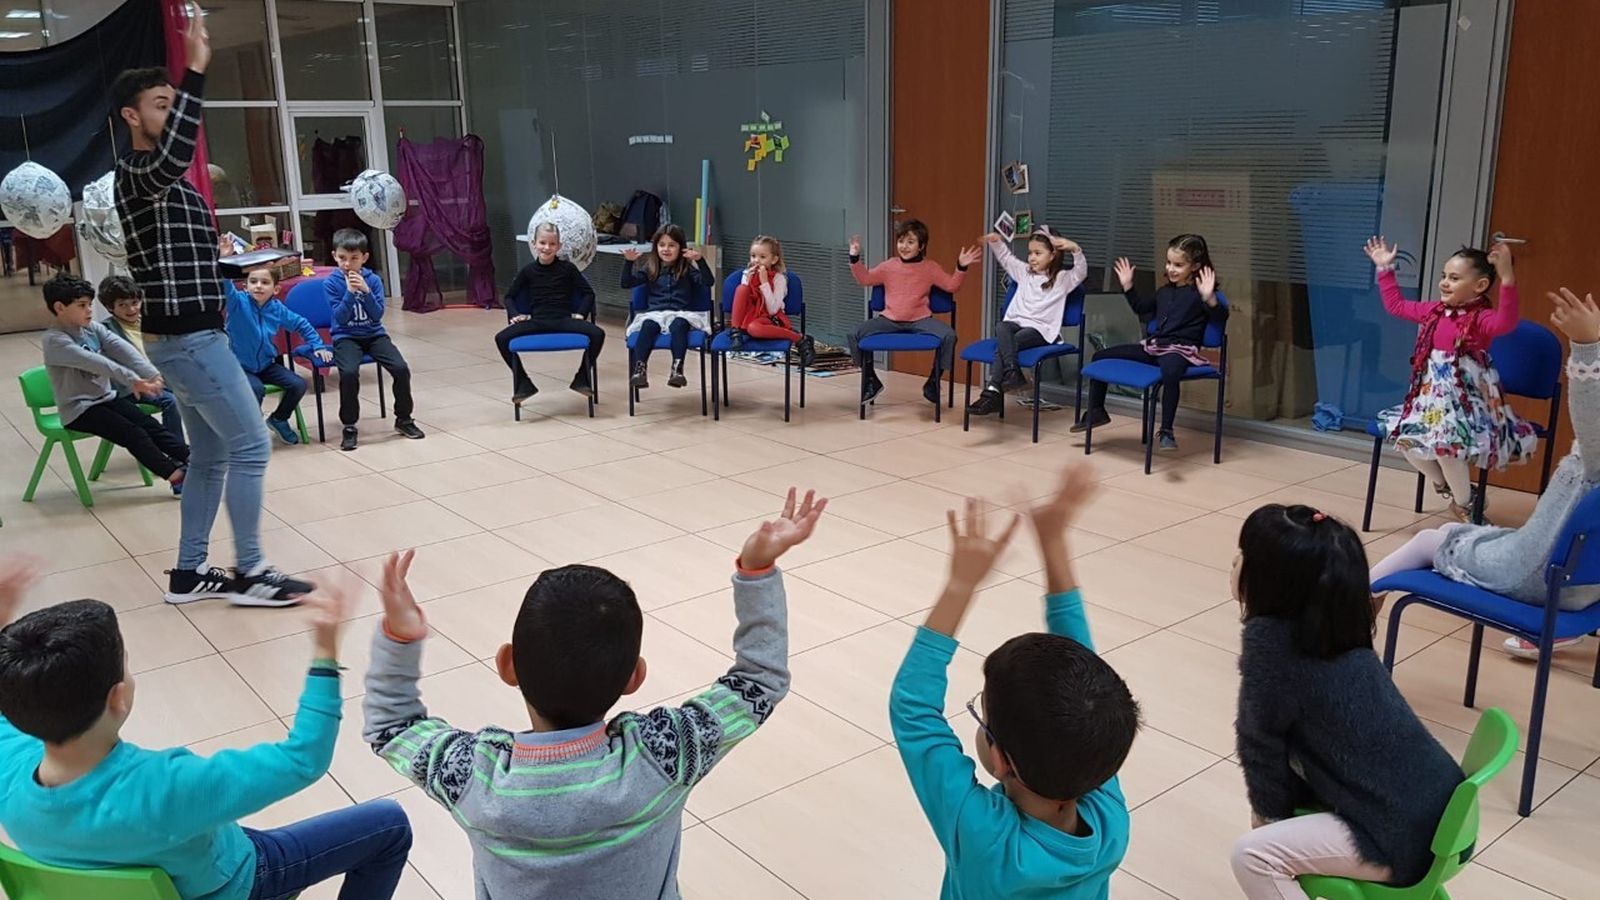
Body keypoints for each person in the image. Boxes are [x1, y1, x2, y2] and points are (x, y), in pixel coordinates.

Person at [362, 488, 827, 899]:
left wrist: (400, 638)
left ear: (508, 666)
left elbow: (390, 727)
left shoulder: (471, 777)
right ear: (634, 678)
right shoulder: (666, 754)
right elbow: (759, 680)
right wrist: (756, 569)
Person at [0, 556, 414, 900]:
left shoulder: (8, 770)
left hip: (152, 864)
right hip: (232, 883)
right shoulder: (169, 786)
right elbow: (304, 758)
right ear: (117, 697)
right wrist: (325, 652)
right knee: (389, 825)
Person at [110, 8, 310, 606]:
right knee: (250, 446)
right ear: (132, 116)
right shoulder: (139, 171)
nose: (170, 114)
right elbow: (172, 157)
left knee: (212, 456)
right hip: (188, 342)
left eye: (174, 103)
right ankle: (250, 572)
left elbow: (175, 258)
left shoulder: (168, 184)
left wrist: (224, 256)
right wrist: (196, 69)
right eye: (160, 105)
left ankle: (188, 572)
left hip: (191, 336)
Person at [890, 464, 1138, 899]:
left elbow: (912, 709)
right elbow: (1085, 684)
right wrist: (1054, 540)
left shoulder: (987, 840)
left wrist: (961, 585)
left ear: (1002, 760)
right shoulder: (1109, 816)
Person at [1230, 505, 1463, 899]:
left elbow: (1259, 742)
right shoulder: (1341, 625)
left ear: (1269, 581)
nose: (1235, 563)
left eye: (1243, 557)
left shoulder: (1270, 647)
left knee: (1252, 856)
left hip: (1398, 838)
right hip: (1443, 815)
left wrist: (1268, 816)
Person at [1370, 287, 1600, 658]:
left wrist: (1587, 346)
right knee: (1450, 527)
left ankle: (1353, 602)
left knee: (1432, 540)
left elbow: (1592, 422)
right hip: (1584, 587)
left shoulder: (1597, 461)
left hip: (1534, 575)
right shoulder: (1437, 315)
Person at [1365, 236, 1537, 521]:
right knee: (1407, 442)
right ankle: (1452, 491)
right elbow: (1396, 306)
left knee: (1447, 451)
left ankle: (1466, 505)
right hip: (1429, 400)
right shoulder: (1433, 311)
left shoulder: (1480, 318)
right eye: (1444, 276)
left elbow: (1505, 323)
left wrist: (1507, 277)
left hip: (1466, 403)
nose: (1444, 282)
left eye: (1454, 278)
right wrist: (1385, 269)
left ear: (1479, 286)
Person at [1071, 233, 1227, 453]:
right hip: (1155, 347)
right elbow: (1141, 308)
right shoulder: (1164, 291)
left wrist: (1210, 299)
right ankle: (1097, 411)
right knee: (1100, 357)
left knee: (1170, 371)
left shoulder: (1199, 294)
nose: (1171, 269)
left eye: (1178, 265)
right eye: (1169, 263)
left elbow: (1220, 317)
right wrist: (1128, 287)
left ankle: (1166, 430)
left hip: (1181, 350)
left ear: (1195, 266)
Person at [40, 274, 188, 497]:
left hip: (105, 399)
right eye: (82, 305)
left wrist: (152, 374)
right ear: (60, 307)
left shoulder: (91, 328)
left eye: (89, 304)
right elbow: (98, 363)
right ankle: (177, 477)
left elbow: (122, 349)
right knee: (134, 434)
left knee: (149, 425)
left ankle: (194, 458)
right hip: (79, 410)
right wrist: (132, 379)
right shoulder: (55, 340)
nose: (89, 310)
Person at [847, 221, 981, 406]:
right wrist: (854, 258)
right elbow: (865, 279)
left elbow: (952, 286)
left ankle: (933, 382)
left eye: (910, 242)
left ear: (922, 246)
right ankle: (870, 379)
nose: (904, 246)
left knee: (949, 335)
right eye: (901, 241)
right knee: (853, 334)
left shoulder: (930, 267)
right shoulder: (889, 266)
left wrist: (961, 266)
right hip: (889, 319)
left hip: (920, 320)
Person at [968, 229, 1089, 416]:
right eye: (1030, 253)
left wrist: (1076, 249)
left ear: (1053, 255)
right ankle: (1012, 372)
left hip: (1041, 330)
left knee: (1007, 345)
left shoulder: (1062, 279)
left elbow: (1081, 272)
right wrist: (996, 242)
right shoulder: (1025, 273)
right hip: (1016, 325)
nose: (1032, 258)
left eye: (1038, 253)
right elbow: (1007, 258)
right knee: (1001, 326)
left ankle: (993, 391)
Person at [325, 228, 425, 451]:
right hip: (346, 337)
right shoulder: (331, 283)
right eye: (342, 258)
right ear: (334, 256)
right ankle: (349, 426)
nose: (347, 264)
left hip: (374, 335)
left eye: (354, 258)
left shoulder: (374, 280)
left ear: (364, 258)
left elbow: (377, 314)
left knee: (401, 369)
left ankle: (404, 419)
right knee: (349, 373)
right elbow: (340, 318)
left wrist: (366, 291)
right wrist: (350, 292)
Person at [221, 246, 331, 446]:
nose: (258, 286)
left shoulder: (277, 309)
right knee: (255, 389)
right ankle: (249, 432)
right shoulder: (238, 304)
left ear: (276, 289)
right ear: (245, 286)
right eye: (253, 282)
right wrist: (224, 259)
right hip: (239, 366)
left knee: (298, 384)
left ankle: (279, 419)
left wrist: (318, 345)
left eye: (265, 282)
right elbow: (224, 283)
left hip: (265, 364)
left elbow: (301, 324)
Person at [494, 222, 605, 405]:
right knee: (501, 338)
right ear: (534, 244)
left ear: (559, 246)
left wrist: (580, 314)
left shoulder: (567, 269)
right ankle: (523, 383)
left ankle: (582, 378)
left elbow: (588, 294)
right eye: (543, 243)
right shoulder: (528, 271)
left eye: (552, 244)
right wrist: (515, 314)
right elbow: (509, 297)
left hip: (563, 320)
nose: (547, 248)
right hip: (537, 322)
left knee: (598, 334)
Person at [621, 223, 715, 390]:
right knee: (648, 325)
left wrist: (700, 261)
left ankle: (677, 369)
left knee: (679, 324)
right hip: (655, 314)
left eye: (672, 245)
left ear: (681, 248)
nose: (666, 249)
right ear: (656, 247)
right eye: (662, 245)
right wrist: (628, 263)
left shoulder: (686, 269)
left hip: (682, 313)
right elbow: (626, 283)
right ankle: (640, 369)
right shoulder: (650, 268)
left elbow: (708, 282)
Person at [97, 274, 185, 446]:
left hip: (162, 378)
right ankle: (176, 451)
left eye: (134, 303)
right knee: (171, 402)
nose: (131, 310)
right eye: (122, 305)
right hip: (132, 387)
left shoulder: (151, 321)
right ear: (110, 307)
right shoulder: (105, 330)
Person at [725, 235, 816, 367]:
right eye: (753, 256)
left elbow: (773, 309)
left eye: (762, 257)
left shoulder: (779, 279)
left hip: (769, 318)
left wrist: (764, 283)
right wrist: (749, 282)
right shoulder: (746, 274)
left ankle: (800, 339)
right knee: (741, 289)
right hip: (748, 316)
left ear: (774, 259)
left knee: (754, 329)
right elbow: (743, 302)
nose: (756, 261)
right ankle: (735, 332)